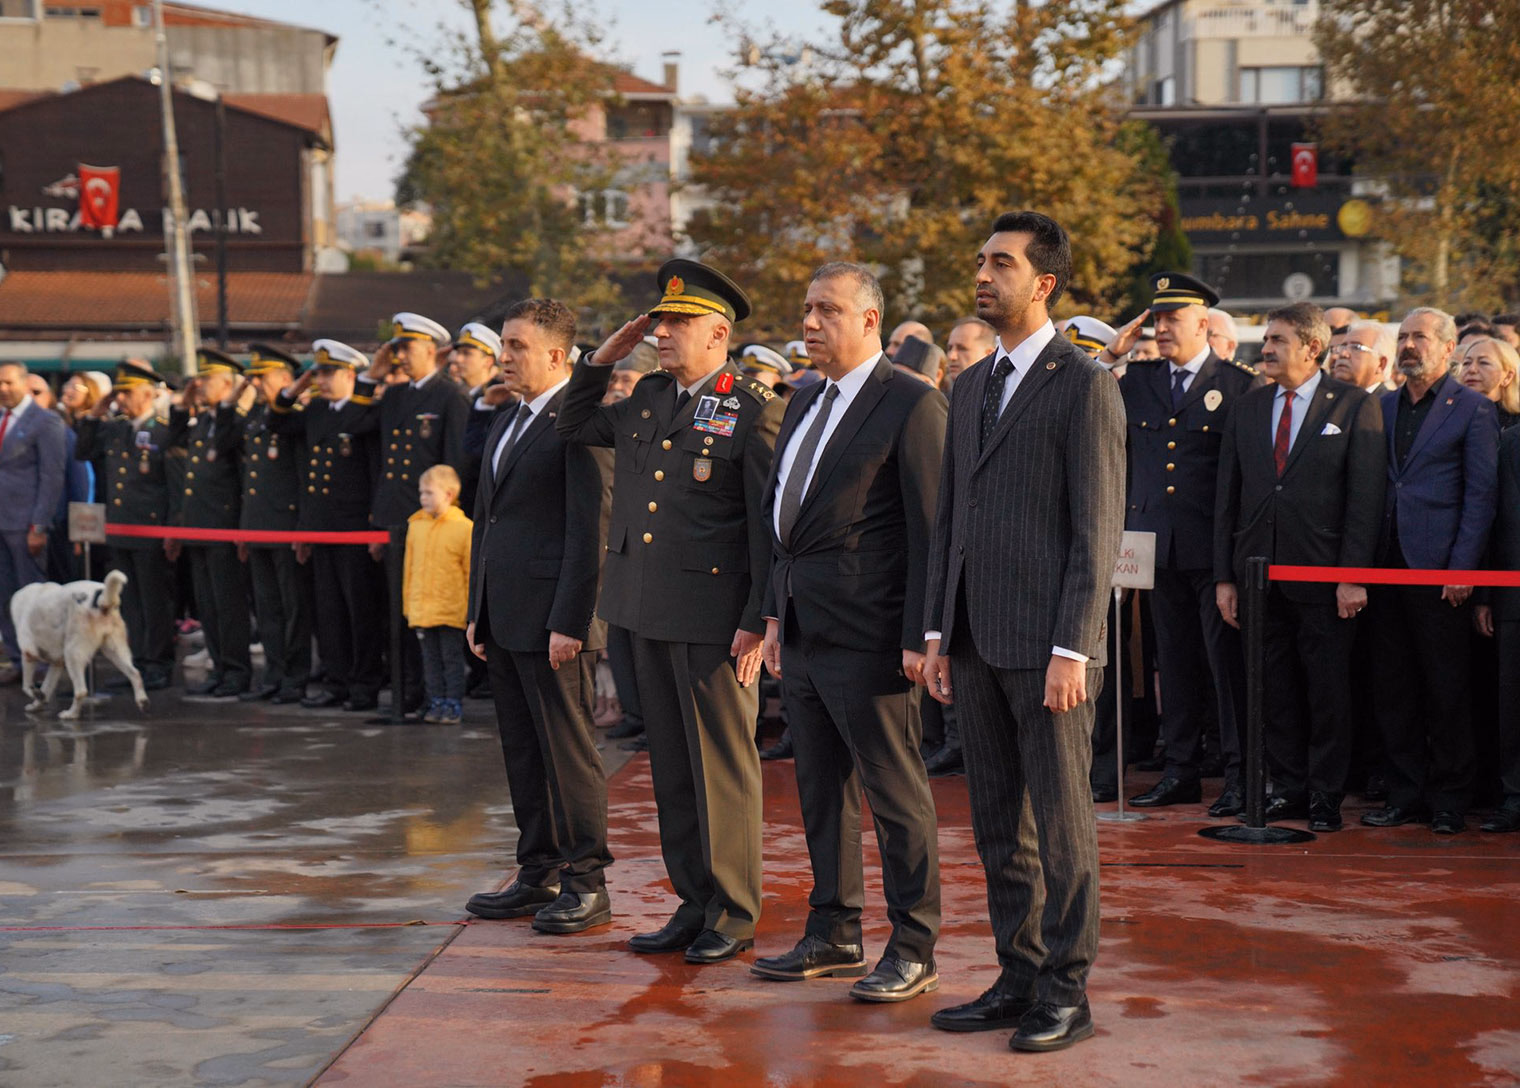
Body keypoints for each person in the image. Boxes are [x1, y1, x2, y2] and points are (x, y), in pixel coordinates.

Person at [921, 210, 1124, 1052]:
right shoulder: (968, 385)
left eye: (1000, 263)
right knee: (998, 822)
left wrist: (1073, 647)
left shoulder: (1083, 384)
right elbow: (952, 522)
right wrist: (936, 631)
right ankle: (1017, 972)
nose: (981, 274)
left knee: (1063, 824)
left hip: (1049, 651)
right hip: (972, 639)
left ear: (1042, 283)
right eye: (979, 260)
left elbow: (1098, 528)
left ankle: (1067, 992)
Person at [556, 259, 784, 965]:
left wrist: (759, 616)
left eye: (678, 324)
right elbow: (572, 427)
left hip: (715, 617)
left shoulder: (751, 407)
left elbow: (766, 525)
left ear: (719, 334)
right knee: (673, 770)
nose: (663, 333)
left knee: (722, 768)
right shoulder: (649, 397)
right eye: (659, 321)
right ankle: (693, 900)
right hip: (643, 608)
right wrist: (599, 361)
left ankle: (736, 910)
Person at [751, 263, 946, 1001]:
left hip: (872, 636)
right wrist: (774, 615)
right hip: (802, 629)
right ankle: (834, 932)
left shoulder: (910, 403)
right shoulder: (804, 399)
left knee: (895, 795)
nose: (808, 322)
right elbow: (785, 523)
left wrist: (924, 634)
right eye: (805, 308)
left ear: (869, 320)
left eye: (825, 310)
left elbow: (932, 530)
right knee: (820, 788)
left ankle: (914, 944)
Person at [463, 298, 613, 932]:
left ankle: (587, 881)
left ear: (557, 356)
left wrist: (572, 623)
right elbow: (488, 523)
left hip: (555, 621)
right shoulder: (509, 419)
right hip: (505, 616)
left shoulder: (575, 423)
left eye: (517, 346)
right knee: (523, 751)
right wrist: (478, 610)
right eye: (504, 343)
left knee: (568, 753)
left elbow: (591, 530)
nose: (503, 356)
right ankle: (537, 870)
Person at [1213, 303, 1386, 832]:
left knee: (1327, 690)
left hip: (1323, 577)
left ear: (1312, 348)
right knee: (1273, 689)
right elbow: (1229, 496)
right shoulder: (1248, 405)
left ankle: (1325, 795)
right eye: (1265, 339)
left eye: (1278, 340)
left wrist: (1352, 575)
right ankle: (1286, 788)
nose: (1265, 349)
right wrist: (1225, 575)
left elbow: (1365, 500)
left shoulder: (1354, 406)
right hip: (1257, 576)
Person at [1109, 272, 1263, 818]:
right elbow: (1081, 393)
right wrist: (1110, 354)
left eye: (1173, 319)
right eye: (1157, 319)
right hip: (1156, 547)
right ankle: (1180, 770)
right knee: (1171, 664)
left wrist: (1232, 561)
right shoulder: (1138, 378)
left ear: (1204, 324)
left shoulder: (1239, 384)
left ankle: (1240, 774)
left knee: (1224, 666)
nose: (1162, 328)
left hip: (1212, 549)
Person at [1363, 308, 1498, 834]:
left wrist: (1463, 567)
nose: (1409, 345)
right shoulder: (1384, 406)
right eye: (1403, 337)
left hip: (1440, 572)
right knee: (1393, 688)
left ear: (1448, 348)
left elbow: (1481, 495)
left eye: (1419, 337)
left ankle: (1449, 798)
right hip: (1386, 569)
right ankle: (1404, 793)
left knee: (1446, 690)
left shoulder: (1472, 409)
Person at [358, 312, 470, 715]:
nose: (400, 356)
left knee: (426, 617)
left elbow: (454, 465)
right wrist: (372, 375)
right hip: (393, 517)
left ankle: (431, 695)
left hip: (428, 523)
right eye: (397, 349)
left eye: (406, 348)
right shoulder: (394, 395)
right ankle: (405, 693)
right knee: (396, 611)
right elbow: (355, 425)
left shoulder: (450, 395)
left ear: (429, 350)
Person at [270, 340, 385, 712]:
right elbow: (278, 421)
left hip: (354, 526)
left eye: (327, 373)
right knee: (329, 611)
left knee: (360, 611)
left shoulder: (363, 410)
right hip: (321, 526)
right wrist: (296, 388)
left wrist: (373, 524)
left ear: (350, 374)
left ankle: (364, 685)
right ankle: (336, 682)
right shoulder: (316, 409)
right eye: (317, 372)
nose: (320, 380)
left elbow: (372, 467)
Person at [73, 361, 176, 690]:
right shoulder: (115, 428)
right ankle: (136, 662)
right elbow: (83, 450)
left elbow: (172, 485)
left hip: (150, 528)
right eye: (119, 393)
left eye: (128, 393)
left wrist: (172, 529)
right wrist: (94, 414)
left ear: (149, 394)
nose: (122, 400)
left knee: (154, 601)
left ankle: (158, 663)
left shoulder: (163, 429)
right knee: (127, 603)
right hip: (120, 528)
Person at [226, 345, 312, 704]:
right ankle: (274, 674)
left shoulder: (293, 414)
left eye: (263, 377)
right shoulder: (257, 415)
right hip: (258, 523)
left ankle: (295, 676)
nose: (257, 383)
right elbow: (237, 457)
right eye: (255, 377)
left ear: (286, 379)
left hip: (286, 523)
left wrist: (301, 528)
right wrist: (245, 528)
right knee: (268, 608)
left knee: (293, 608)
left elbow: (303, 472)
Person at [167, 349, 251, 698]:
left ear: (230, 386)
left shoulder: (233, 423)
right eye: (199, 379)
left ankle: (236, 671)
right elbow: (174, 442)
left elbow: (238, 466)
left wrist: (231, 406)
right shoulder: (203, 422)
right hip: (198, 526)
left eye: (208, 380)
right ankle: (219, 667)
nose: (200, 385)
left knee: (229, 605)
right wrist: (183, 404)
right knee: (208, 605)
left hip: (223, 526)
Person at [0, 361, 67, 683]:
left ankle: (41, 664)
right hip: (1, 522)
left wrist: (39, 524)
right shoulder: (1, 419)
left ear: (25, 384)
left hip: (26, 523)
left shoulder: (45, 421)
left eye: (8, 383)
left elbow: (51, 476)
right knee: (5, 596)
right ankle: (17, 659)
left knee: (30, 596)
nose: (3, 389)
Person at [1476, 424, 1520, 831]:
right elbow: (1493, 517)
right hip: (1513, 595)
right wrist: (1486, 595)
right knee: (1512, 703)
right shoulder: (1508, 440)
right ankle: (1514, 796)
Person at [402, 464, 472, 723]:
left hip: (452, 609)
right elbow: (409, 570)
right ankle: (436, 700)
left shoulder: (464, 528)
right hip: (423, 609)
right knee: (430, 659)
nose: (423, 498)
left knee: (451, 659)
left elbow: (469, 573)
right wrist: (409, 604)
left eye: (429, 493)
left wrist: (470, 609)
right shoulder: (416, 526)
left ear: (449, 494)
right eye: (421, 493)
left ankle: (453, 701)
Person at [1456, 336, 1520, 429]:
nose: (1472, 370)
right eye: (1466, 363)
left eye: (1484, 363)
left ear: (1508, 376)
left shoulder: (1516, 425)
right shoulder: (1445, 415)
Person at [1329, 320, 1395, 394]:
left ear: (1381, 364)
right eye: (1343, 346)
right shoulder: (1328, 401)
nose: (1343, 354)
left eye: (1356, 347)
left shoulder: (1390, 404)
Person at [945, 317, 997, 387]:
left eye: (962, 349)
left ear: (989, 354)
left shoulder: (998, 394)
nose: (952, 356)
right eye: (949, 348)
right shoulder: (941, 396)